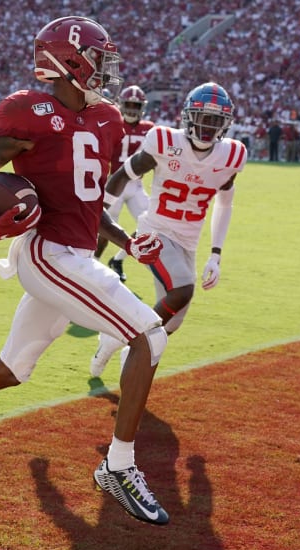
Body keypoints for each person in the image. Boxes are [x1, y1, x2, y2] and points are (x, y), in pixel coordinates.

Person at [0, 16, 170, 526]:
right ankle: (118, 465)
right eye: (99, 57)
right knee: (149, 335)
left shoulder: (106, 119)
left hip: (76, 255)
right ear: (69, 60)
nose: (107, 67)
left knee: (10, 371)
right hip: (47, 255)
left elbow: (89, 207)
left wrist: (128, 241)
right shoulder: (29, 113)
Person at [88, 82, 246, 381]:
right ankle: (132, 343)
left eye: (215, 119)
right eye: (202, 117)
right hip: (155, 230)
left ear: (226, 123)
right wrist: (100, 212)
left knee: (171, 324)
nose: (207, 125)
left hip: (187, 241)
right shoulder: (163, 141)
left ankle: (113, 340)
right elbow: (122, 175)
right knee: (184, 288)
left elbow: (225, 205)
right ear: (188, 116)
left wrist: (215, 254)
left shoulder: (231, 155)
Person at [95, 84, 154, 283]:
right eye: (128, 104)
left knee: (152, 224)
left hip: (136, 185)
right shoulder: (113, 123)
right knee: (105, 227)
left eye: (135, 105)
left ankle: (118, 260)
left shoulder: (150, 128)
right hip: (114, 184)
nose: (131, 108)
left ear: (142, 107)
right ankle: (93, 262)